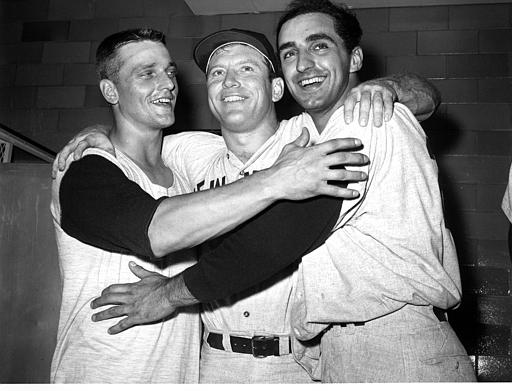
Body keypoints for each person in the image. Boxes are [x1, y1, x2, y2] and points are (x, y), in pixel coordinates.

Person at [60, 26, 448, 386]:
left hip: (298, 362)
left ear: (277, 88)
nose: (230, 82)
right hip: (213, 362)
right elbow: (133, 140)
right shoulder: (189, 153)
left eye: (246, 69)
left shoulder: (311, 138)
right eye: (216, 74)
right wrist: (96, 133)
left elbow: (423, 96)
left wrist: (387, 86)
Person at [275, 0, 477, 382]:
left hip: (396, 345)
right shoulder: (300, 133)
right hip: (347, 346)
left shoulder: (372, 117)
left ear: (354, 60)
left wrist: (175, 291)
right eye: (290, 53)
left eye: (319, 46)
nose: (302, 64)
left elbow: (425, 94)